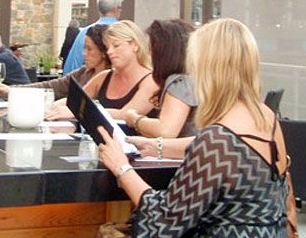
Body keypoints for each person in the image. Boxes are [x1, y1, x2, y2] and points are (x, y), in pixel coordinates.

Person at [98, 18, 289, 237]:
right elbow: (240, 154)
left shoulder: (217, 139)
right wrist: (155, 146)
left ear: (208, 68)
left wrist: (122, 168)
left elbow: (164, 218)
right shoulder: (265, 117)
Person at [47, 20, 158, 120]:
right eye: (108, 47)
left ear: (135, 45)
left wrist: (80, 111)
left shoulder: (151, 81)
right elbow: (74, 101)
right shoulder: (104, 77)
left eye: (116, 45)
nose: (110, 52)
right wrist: (48, 107)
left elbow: (127, 114)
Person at [0, 24, 111, 100]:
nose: (84, 53)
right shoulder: (82, 73)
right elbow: (52, 87)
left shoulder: (114, 78)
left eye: (89, 49)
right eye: (84, 48)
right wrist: (12, 91)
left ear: (103, 52)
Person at [124, 19, 198, 138]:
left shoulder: (179, 83)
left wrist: (135, 119)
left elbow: (165, 131)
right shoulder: (193, 79)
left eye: (151, 49)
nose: (148, 54)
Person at [63, 0, 124, 74]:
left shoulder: (84, 33)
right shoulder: (124, 33)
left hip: (83, 84)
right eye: (120, 7)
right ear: (116, 8)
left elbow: (70, 68)